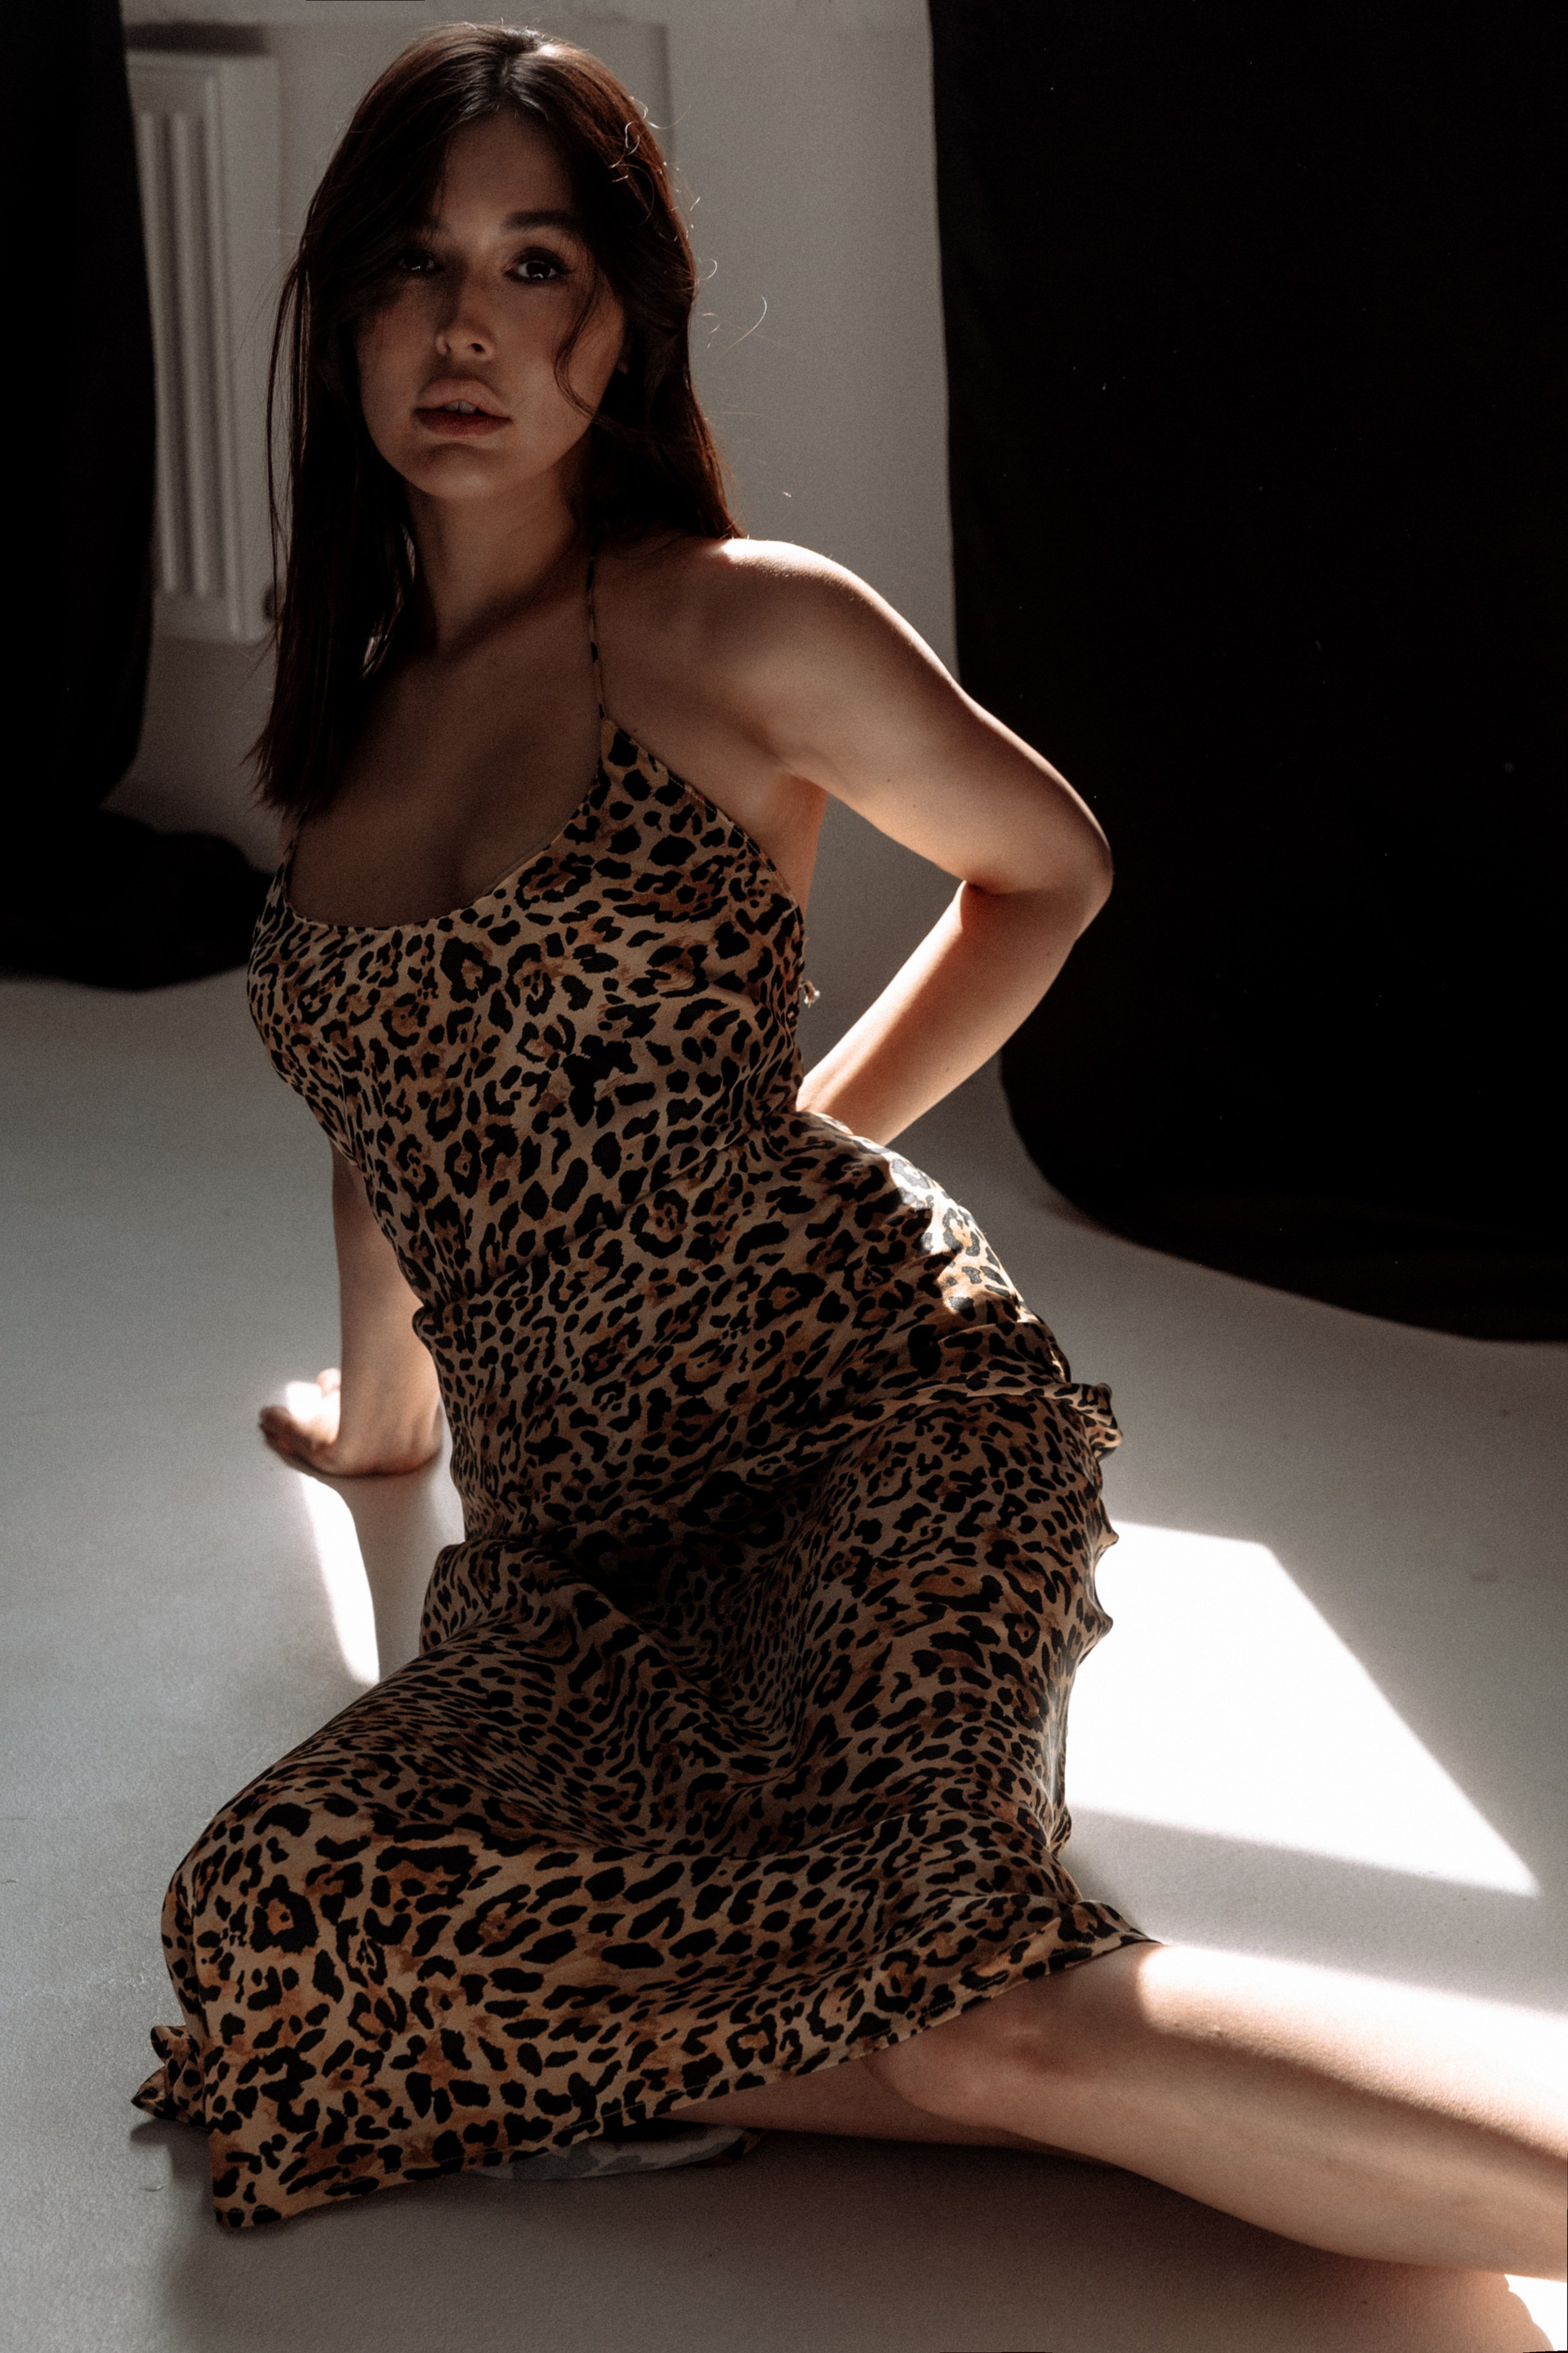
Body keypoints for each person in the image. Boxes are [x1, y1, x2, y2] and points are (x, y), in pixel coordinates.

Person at [135, 24, 1566, 2271]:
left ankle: (925, 2020)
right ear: (344, 321)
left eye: (535, 264)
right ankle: (872, 2007)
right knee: (264, 1925)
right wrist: (386, 1420)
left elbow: (1049, 868)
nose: (468, 327)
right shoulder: (351, 730)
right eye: (416, 265)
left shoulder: (734, 624)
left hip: (866, 1435)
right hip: (589, 1566)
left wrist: (797, 1137)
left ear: (625, 325)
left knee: (988, 2032)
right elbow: (402, 1131)